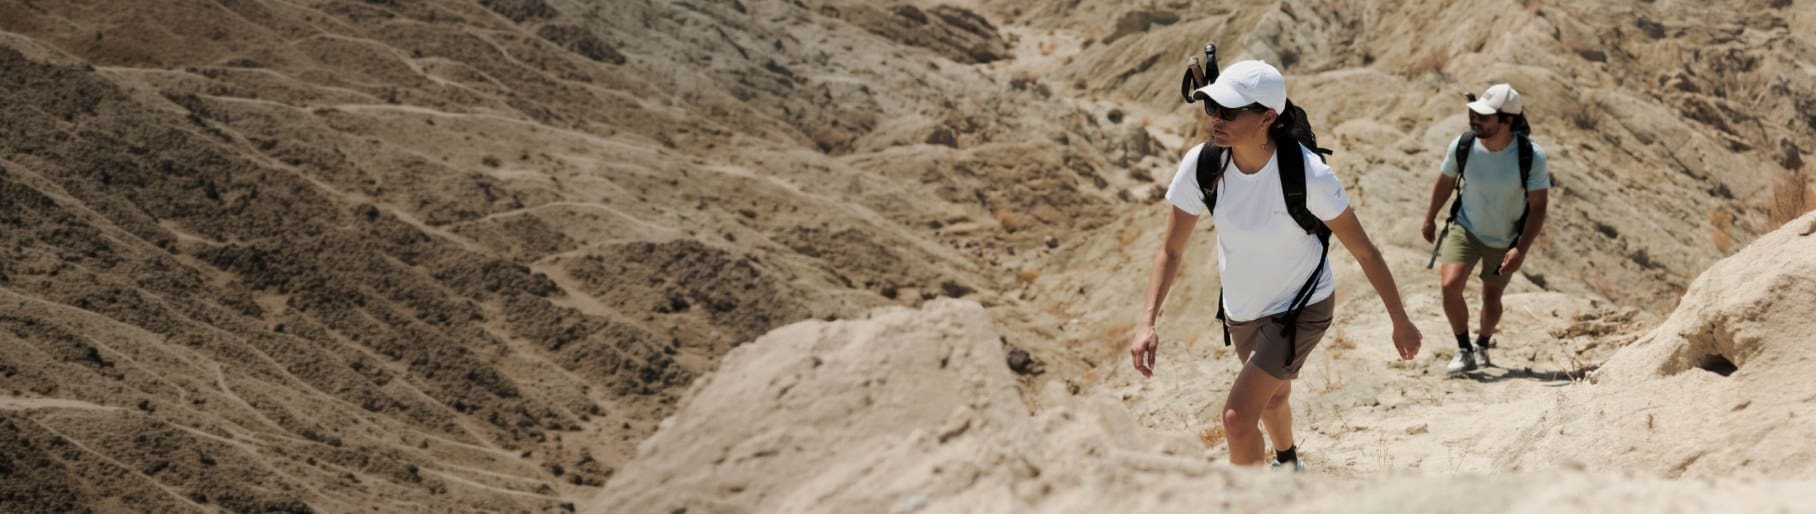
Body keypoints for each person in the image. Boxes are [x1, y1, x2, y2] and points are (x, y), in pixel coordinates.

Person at [1129, 60, 1422, 471]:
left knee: (1237, 418)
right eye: (1212, 107)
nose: (1216, 119)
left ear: (1267, 116)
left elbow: (1366, 252)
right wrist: (1147, 323)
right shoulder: (1203, 165)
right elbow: (1170, 252)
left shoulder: (1309, 175)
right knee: (1274, 397)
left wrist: (1400, 319)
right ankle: (1288, 462)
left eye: (1229, 111)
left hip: (1303, 307)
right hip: (1243, 311)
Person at [1419, 84, 1551, 375]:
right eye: (1475, 114)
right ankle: (1464, 349)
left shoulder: (1531, 156)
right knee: (1449, 286)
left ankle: (1482, 343)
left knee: (1491, 298)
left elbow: (1539, 207)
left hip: (1505, 239)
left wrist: (1520, 248)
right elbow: (1444, 181)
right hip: (1465, 228)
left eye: (1485, 117)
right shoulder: (1463, 146)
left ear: (1507, 121)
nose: (1475, 120)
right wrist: (1430, 217)